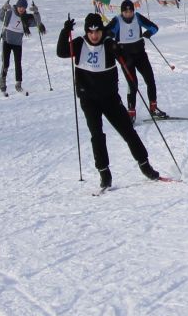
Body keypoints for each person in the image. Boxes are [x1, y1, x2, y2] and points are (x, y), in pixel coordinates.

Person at [58, 12, 162, 190]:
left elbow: (126, 60)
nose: (94, 35)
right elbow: (61, 52)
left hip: (110, 98)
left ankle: (145, 165)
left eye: (97, 31)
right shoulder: (79, 44)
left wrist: (119, 51)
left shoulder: (108, 44)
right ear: (86, 32)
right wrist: (64, 31)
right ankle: (104, 174)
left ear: (101, 30)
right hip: (89, 100)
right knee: (97, 135)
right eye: (90, 32)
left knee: (128, 131)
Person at [106, 0, 163, 119]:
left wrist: (149, 33)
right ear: (122, 12)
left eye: (130, 11)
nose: (128, 14)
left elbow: (154, 27)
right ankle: (131, 112)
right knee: (133, 85)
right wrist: (112, 42)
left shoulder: (137, 17)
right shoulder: (117, 21)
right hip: (126, 58)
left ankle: (153, 108)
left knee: (150, 79)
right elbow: (106, 34)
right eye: (125, 12)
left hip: (140, 55)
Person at [0, 0, 40, 95]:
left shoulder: (26, 18)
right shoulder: (10, 12)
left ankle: (18, 84)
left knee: (18, 63)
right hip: (7, 41)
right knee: (5, 63)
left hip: (17, 43)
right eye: (20, 7)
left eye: (23, 8)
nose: (21, 9)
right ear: (17, 6)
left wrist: (36, 12)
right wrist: (3, 8)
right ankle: (2, 83)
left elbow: (38, 22)